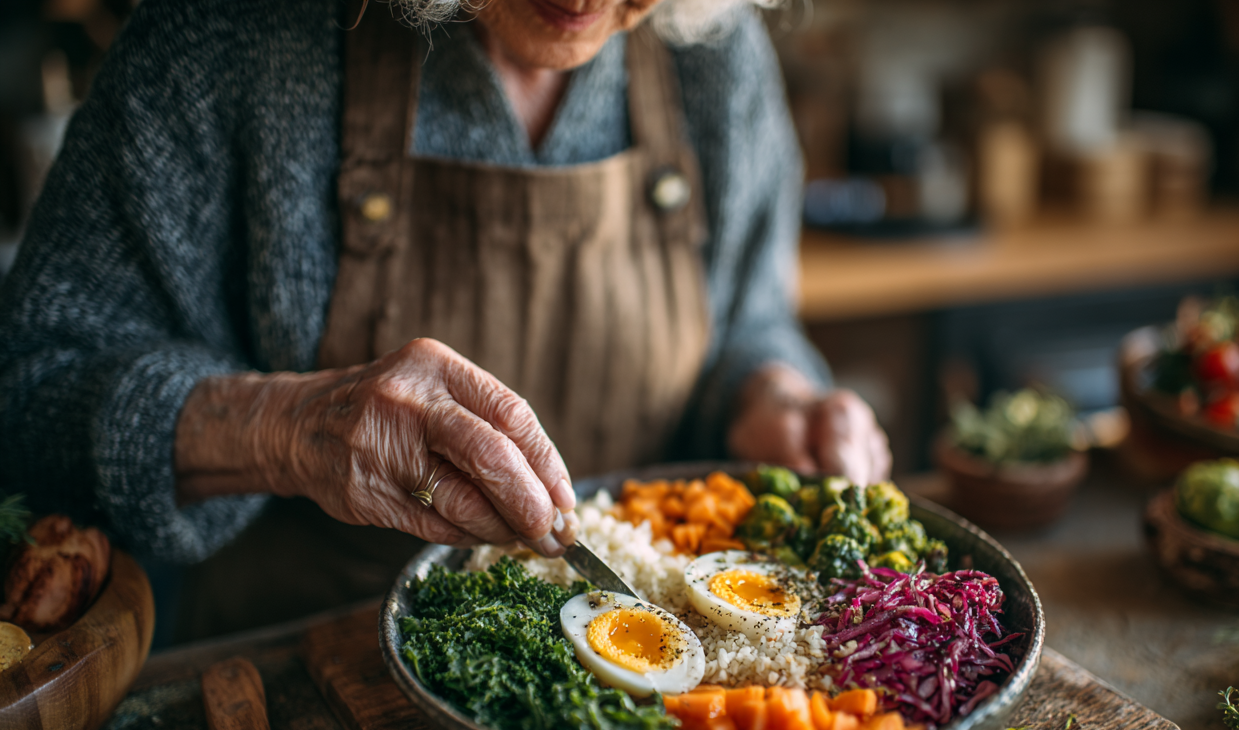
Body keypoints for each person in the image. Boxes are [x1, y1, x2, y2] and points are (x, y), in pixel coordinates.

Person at [0, 0, 890, 639]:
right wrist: (283, 428)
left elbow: (748, 317)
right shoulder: (225, 41)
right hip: (292, 681)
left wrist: (772, 392)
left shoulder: (710, 43)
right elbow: (29, 392)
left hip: (643, 701)